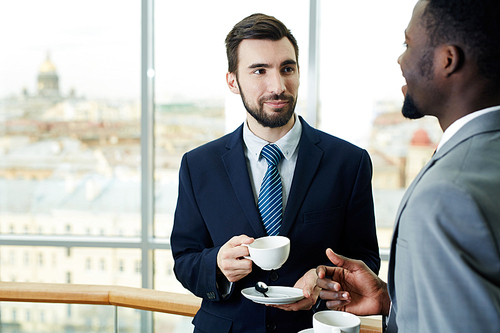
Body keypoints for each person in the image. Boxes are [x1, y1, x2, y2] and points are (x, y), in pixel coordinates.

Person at [171, 13, 380, 333]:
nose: (278, 86)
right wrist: (216, 264)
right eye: (259, 71)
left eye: (287, 68)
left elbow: (364, 259)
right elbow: (185, 259)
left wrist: (323, 279)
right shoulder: (199, 165)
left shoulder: (349, 162)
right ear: (232, 81)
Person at [316, 1, 500, 332]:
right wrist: (394, 300)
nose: (400, 60)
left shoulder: (446, 195)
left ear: (448, 60)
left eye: (408, 44)